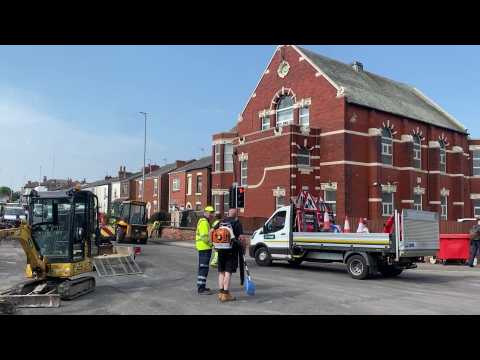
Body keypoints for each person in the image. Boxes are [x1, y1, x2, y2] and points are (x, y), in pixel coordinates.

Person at [215, 208, 244, 302]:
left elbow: (212, 232)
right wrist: (243, 247)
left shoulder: (221, 222)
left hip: (220, 250)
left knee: (221, 272)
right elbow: (241, 238)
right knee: (228, 272)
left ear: (228, 214)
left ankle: (220, 293)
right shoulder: (236, 223)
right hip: (231, 251)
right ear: (236, 215)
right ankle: (226, 294)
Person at [195, 206, 215, 295]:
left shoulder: (204, 221)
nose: (211, 215)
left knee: (203, 268)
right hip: (204, 247)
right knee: (203, 268)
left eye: (212, 213)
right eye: (210, 213)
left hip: (204, 247)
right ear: (205, 213)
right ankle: (201, 289)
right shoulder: (204, 222)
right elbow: (204, 237)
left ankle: (201, 286)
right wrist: (211, 244)